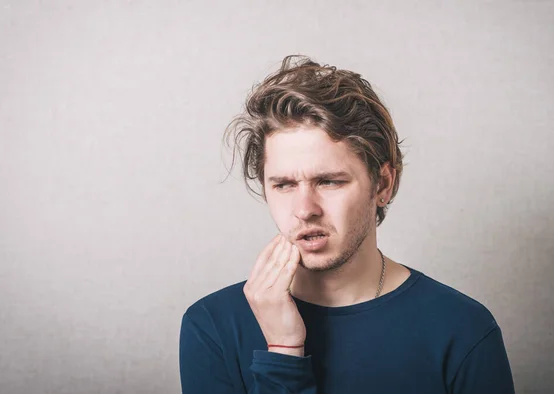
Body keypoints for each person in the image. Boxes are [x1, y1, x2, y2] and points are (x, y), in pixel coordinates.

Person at [179, 55, 515, 394]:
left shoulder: (463, 329)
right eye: (284, 185)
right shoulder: (211, 326)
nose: (304, 210)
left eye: (329, 182)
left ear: (382, 185)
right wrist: (283, 351)